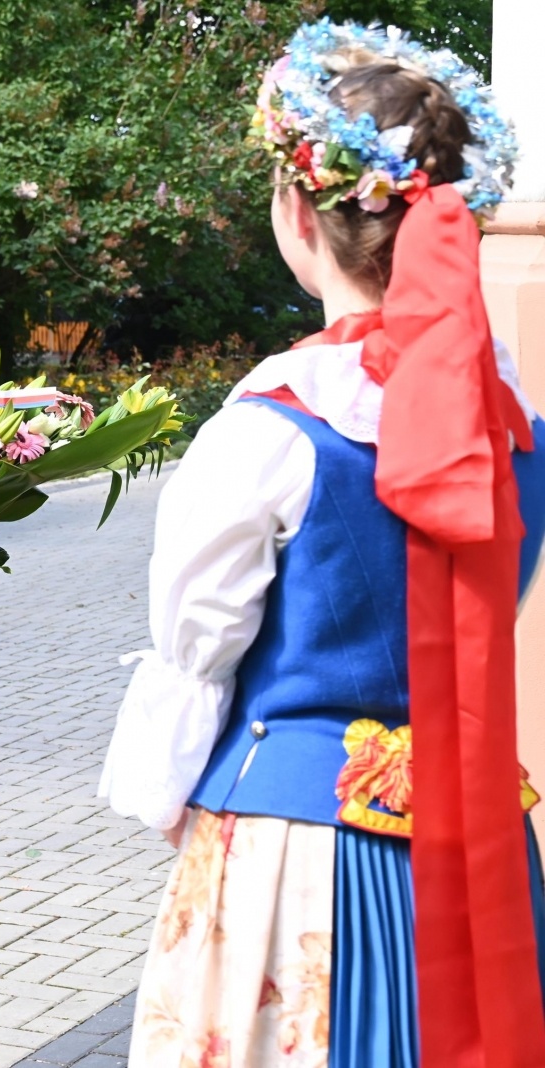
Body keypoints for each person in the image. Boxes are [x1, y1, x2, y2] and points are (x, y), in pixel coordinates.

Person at [98, 22, 545, 1065]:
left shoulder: (268, 428)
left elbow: (192, 651)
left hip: (295, 858)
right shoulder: (517, 424)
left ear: (298, 214)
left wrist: (167, 799)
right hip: (480, 850)